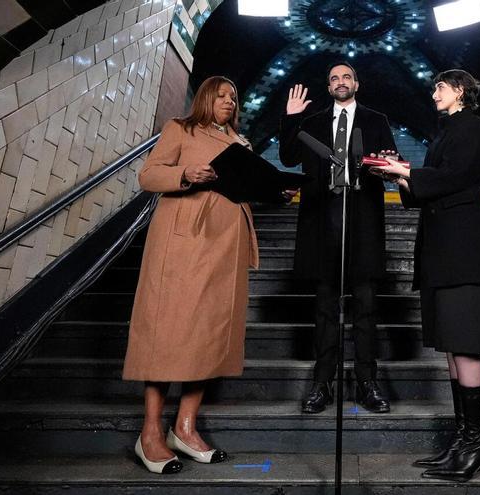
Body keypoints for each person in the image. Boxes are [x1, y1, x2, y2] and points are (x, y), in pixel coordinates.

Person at [123, 76, 283, 474]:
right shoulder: (181, 128)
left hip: (225, 248)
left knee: (210, 333)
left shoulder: (239, 143)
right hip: (184, 242)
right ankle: (150, 434)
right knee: (169, 331)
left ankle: (186, 427)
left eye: (235, 96)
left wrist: (272, 187)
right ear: (206, 97)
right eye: (223, 95)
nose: (230, 101)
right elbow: (148, 175)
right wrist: (186, 174)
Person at [374, 69, 480, 481]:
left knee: (464, 345)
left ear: (460, 89)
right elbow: (429, 190)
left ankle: (477, 443)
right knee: (450, 346)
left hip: (462, 249)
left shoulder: (472, 126)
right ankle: (465, 441)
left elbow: (458, 177)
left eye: (439, 87)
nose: (433, 94)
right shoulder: (445, 132)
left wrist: (408, 173)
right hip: (441, 250)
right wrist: (400, 177)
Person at [278, 62, 396, 414]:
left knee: (365, 307)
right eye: (333, 79)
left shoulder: (377, 120)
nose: (340, 82)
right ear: (328, 87)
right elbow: (287, 157)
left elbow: (390, 162)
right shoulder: (312, 122)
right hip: (321, 221)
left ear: (356, 83)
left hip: (363, 221)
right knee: (325, 308)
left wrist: (385, 162)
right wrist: (290, 117)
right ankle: (321, 384)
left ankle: (367, 383)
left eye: (346, 77)